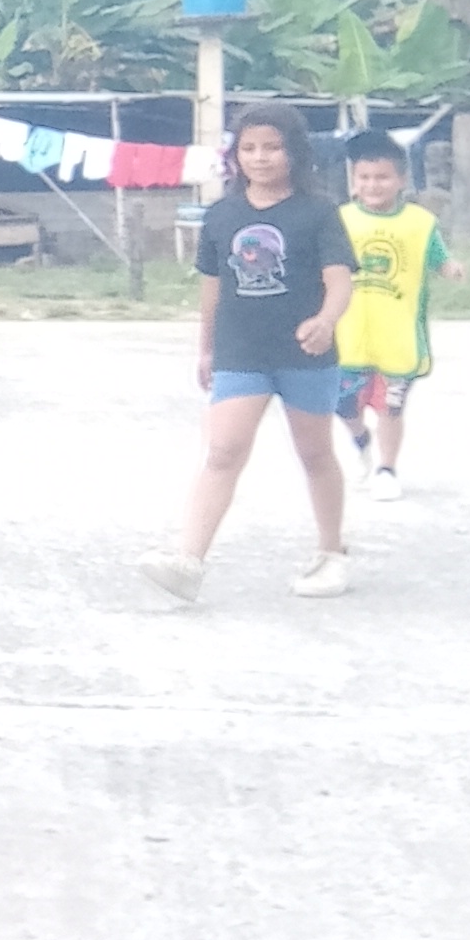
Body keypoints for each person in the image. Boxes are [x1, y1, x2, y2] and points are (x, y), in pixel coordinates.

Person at [140, 104, 358, 603]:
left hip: (304, 352)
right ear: (235, 155)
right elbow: (212, 290)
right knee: (223, 452)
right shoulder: (222, 215)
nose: (260, 158)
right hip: (240, 353)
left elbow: (339, 281)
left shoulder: (319, 213)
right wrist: (205, 349)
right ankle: (188, 562)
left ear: (294, 152)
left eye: (272, 147)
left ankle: (332, 553)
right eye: (249, 148)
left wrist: (326, 321)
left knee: (315, 453)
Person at [333, 130, 466, 503]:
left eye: (382, 177)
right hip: (347, 335)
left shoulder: (420, 223)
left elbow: (438, 258)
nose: (373, 185)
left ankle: (387, 469)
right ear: (353, 181)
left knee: (391, 407)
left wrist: (452, 269)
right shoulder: (339, 220)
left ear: (402, 180)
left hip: (398, 337)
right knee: (344, 405)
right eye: (364, 177)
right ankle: (361, 440)